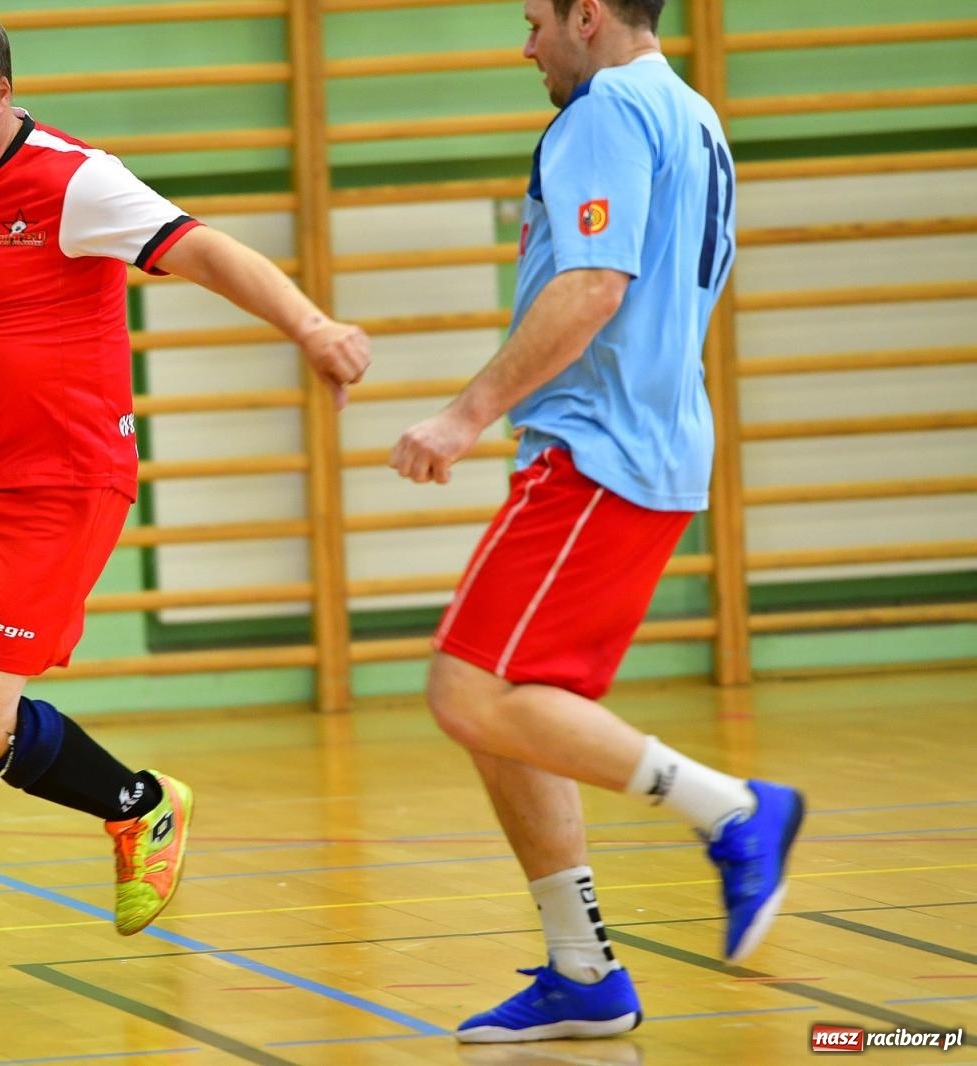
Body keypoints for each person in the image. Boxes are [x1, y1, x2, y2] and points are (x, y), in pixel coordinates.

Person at [0, 2, 371, 999]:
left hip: (59, 487)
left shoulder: (73, 179)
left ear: (3, 93)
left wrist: (311, 325)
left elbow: (206, 249)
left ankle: (140, 804)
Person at [388, 0, 803, 1043]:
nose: (523, 46)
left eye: (534, 22)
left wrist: (462, 414)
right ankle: (581, 967)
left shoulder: (605, 109)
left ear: (586, 17)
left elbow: (590, 287)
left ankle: (732, 809)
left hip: (598, 452)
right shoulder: (690, 111)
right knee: (507, 702)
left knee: (463, 688)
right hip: (643, 446)